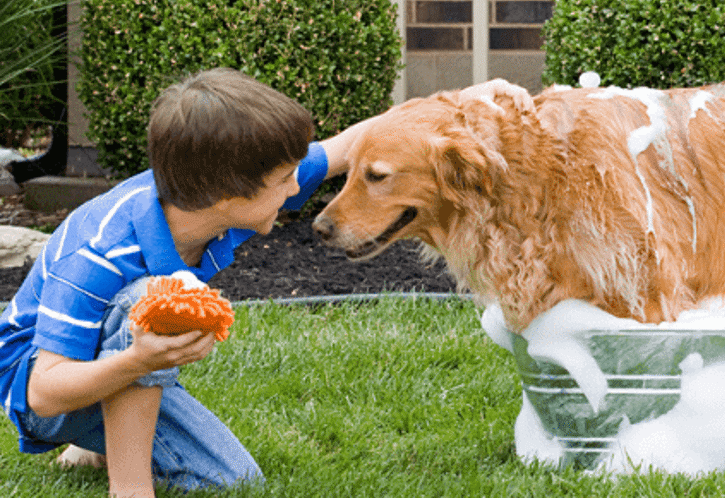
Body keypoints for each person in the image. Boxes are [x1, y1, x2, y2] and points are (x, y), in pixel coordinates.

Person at [0, 68, 526, 497]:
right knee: (147, 298)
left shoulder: (214, 196)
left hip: (106, 367)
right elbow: (43, 393)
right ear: (228, 193)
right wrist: (139, 362)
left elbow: (350, 144)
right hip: (37, 389)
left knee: (232, 482)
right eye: (284, 181)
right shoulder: (100, 251)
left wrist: (460, 102)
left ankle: (98, 435)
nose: (299, 188)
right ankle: (129, 485)